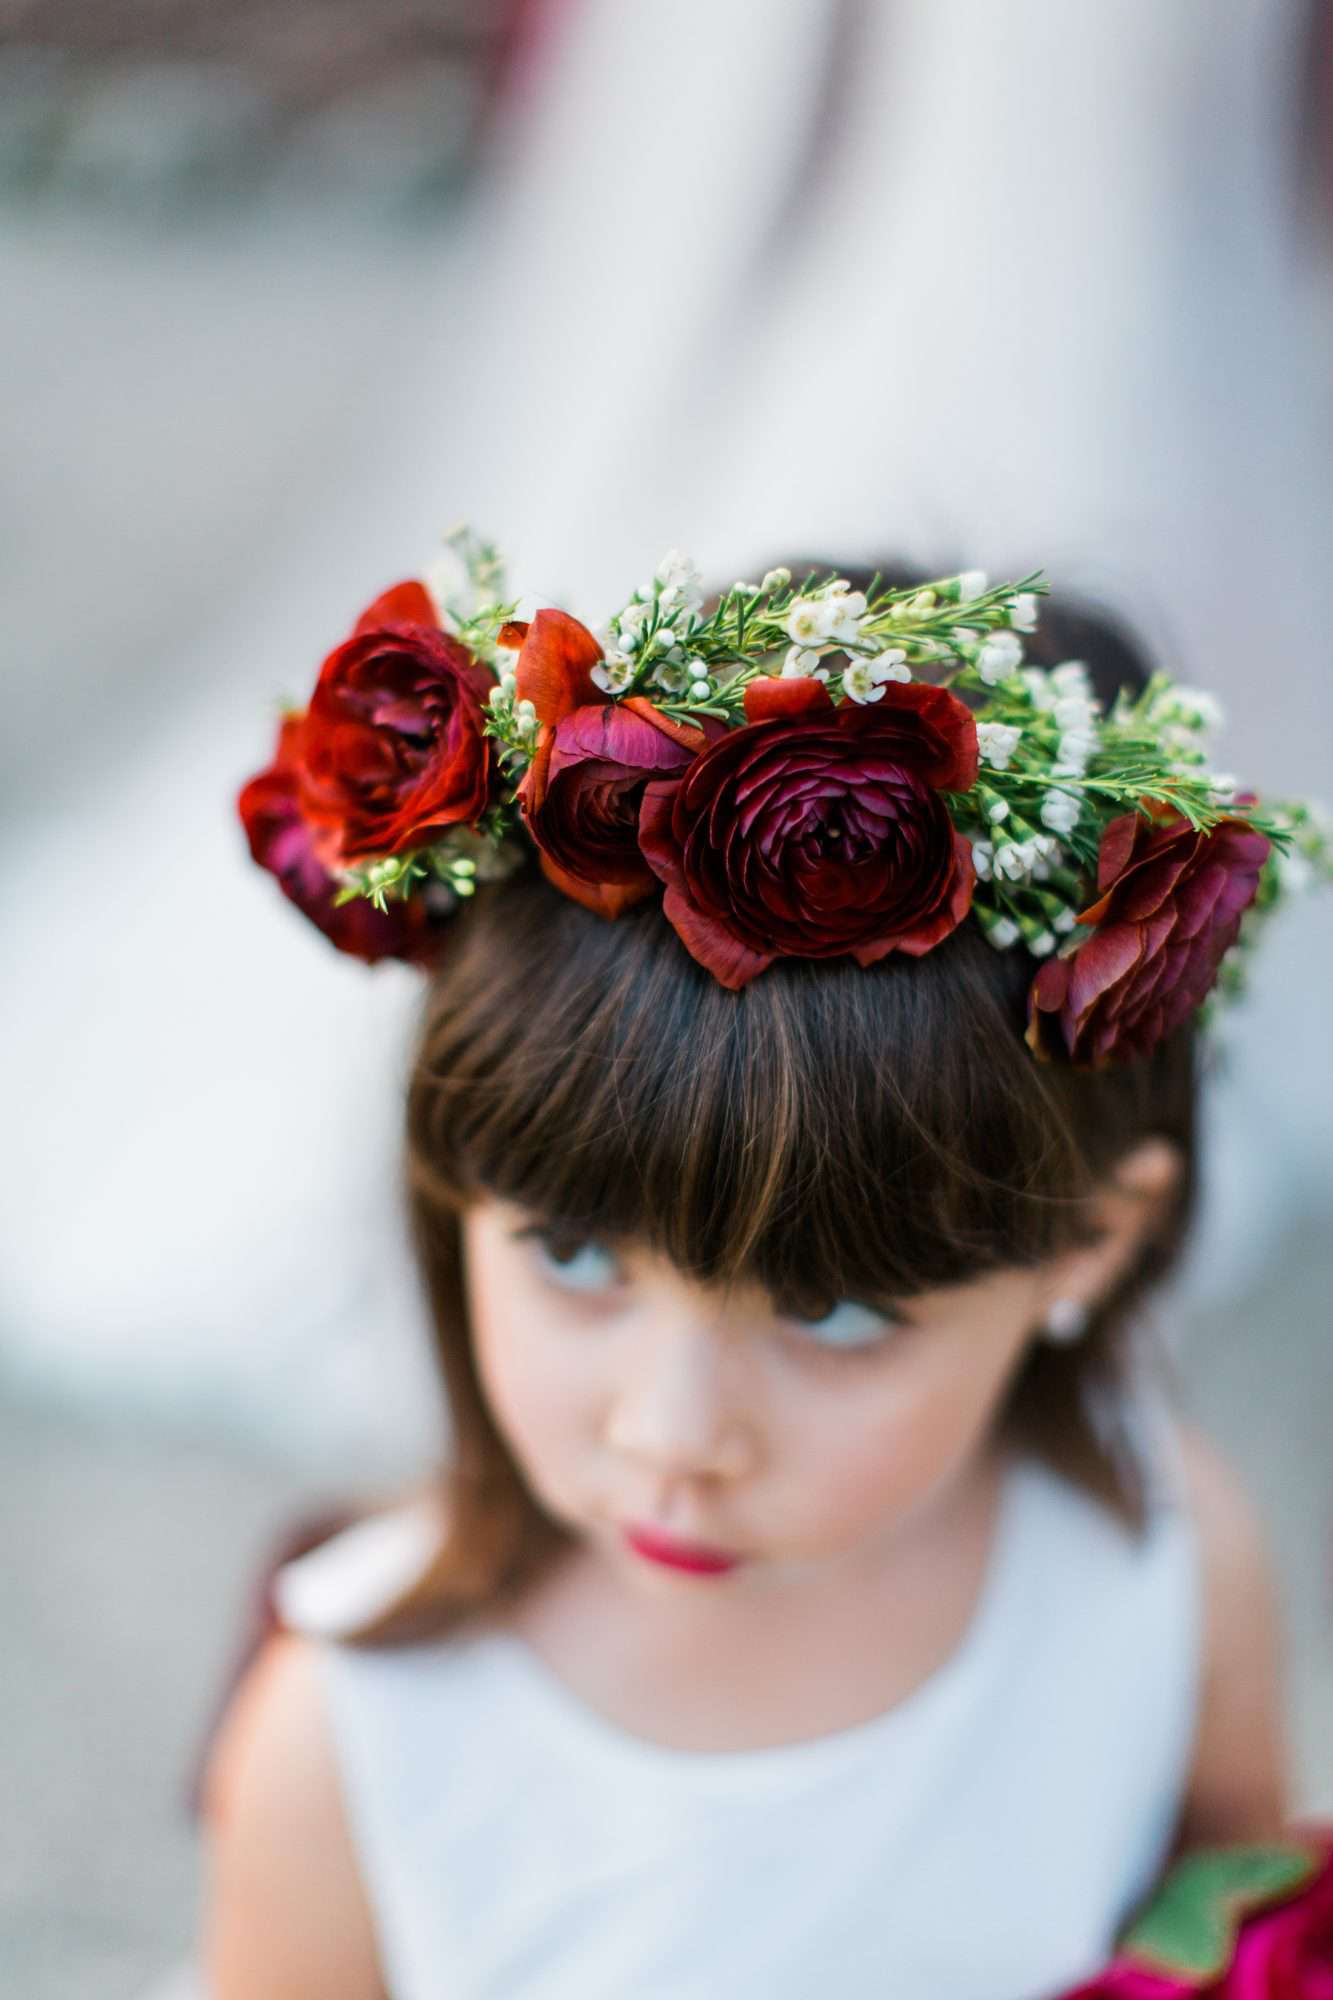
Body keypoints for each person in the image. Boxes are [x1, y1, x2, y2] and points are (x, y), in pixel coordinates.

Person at [194, 541, 1321, 2000]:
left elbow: (1243, 1944)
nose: (669, 1435)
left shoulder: (1163, 1566)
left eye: (829, 1311)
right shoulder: (352, 1739)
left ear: (1088, 1243)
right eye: (573, 1253)